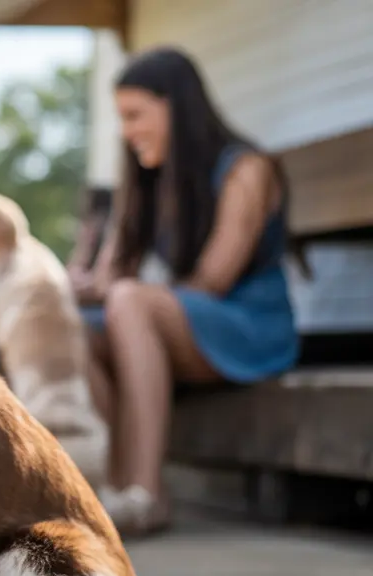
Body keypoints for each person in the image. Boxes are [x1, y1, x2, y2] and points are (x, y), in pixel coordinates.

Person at [70, 46, 302, 536]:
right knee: (74, 327)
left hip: (249, 326)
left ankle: (147, 493)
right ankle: (114, 492)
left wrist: (127, 297)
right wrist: (71, 287)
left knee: (130, 301)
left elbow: (214, 281)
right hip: (185, 324)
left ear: (175, 106)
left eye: (135, 115)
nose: (127, 131)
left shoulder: (245, 169)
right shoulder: (149, 180)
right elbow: (111, 277)